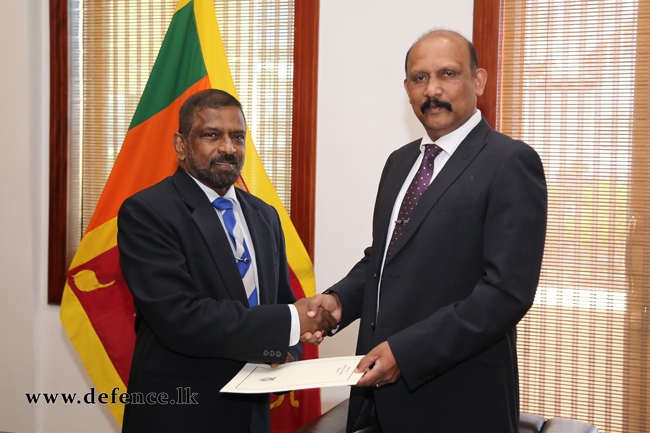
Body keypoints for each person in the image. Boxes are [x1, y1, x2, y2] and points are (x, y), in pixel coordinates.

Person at [307, 29, 547, 432]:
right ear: (407, 88)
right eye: (420, 78)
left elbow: (506, 294)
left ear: (479, 81)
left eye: (448, 74)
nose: (432, 89)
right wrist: (340, 302)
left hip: (459, 404)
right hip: (377, 400)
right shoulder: (399, 163)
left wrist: (406, 353)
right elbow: (384, 258)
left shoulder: (510, 162)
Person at [117, 89, 336, 433]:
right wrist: (291, 321)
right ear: (181, 145)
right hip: (181, 415)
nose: (228, 149)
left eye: (237, 136)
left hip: (252, 413)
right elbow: (180, 318)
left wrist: (294, 339)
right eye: (211, 135)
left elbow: (279, 301)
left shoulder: (264, 216)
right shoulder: (147, 212)